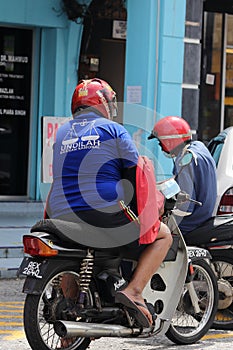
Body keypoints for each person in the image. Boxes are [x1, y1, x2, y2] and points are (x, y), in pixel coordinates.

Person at [46, 78, 172, 327]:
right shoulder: (114, 130)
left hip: (59, 214)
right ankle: (134, 291)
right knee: (163, 235)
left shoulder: (62, 132)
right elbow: (135, 174)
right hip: (100, 212)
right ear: (104, 102)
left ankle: (71, 315)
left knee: (76, 254)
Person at [148, 115, 217, 236]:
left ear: (169, 141)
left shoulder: (185, 159)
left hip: (191, 221)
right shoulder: (198, 147)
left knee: (150, 234)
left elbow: (186, 205)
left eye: (160, 142)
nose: (160, 147)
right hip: (204, 215)